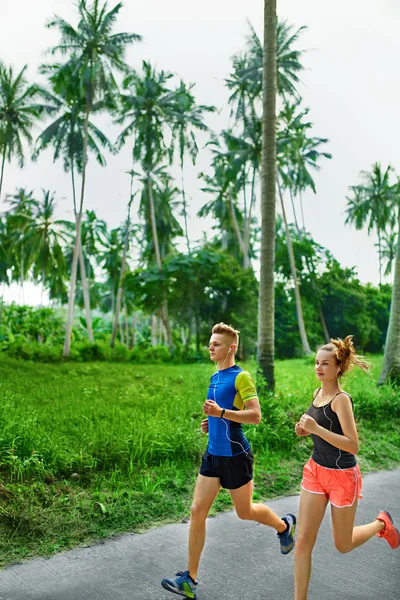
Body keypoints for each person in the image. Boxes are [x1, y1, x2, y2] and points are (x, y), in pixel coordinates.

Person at [161, 322, 296, 599]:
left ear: (231, 348)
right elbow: (223, 414)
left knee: (244, 512)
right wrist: (210, 422)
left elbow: (255, 415)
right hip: (212, 455)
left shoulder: (241, 377)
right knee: (198, 511)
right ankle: (190, 580)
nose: (211, 347)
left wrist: (221, 412)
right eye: (210, 342)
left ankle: (284, 527)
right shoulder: (214, 377)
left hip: (235, 456)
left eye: (217, 344)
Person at [294, 336, 400, 600]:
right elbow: (320, 431)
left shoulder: (341, 400)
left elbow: (353, 445)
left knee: (343, 544)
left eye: (325, 364)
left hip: (342, 477)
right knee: (303, 542)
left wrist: (316, 428)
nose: (318, 368)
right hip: (315, 471)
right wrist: (305, 432)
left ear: (338, 367)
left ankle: (381, 523)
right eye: (317, 363)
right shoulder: (317, 393)